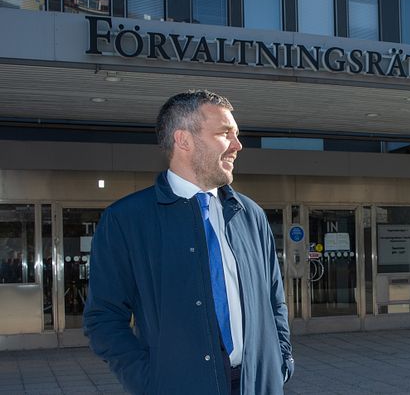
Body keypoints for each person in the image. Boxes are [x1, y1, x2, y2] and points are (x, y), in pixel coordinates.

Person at [83, 90, 293, 395]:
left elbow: (275, 300)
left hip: (257, 385)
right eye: (225, 134)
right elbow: (103, 319)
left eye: (236, 135)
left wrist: (282, 360)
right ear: (184, 140)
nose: (237, 145)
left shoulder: (251, 215)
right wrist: (149, 381)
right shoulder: (126, 220)